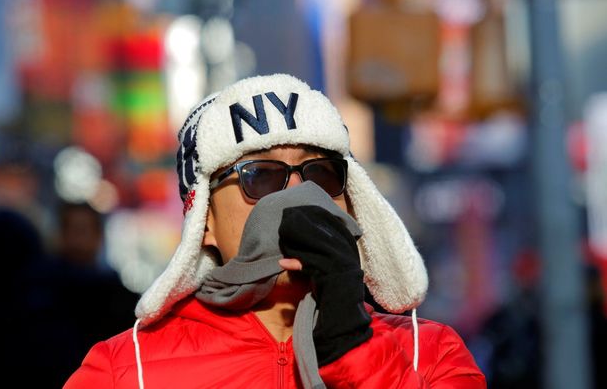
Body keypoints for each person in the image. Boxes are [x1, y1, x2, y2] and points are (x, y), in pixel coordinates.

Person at [65, 74, 485, 388]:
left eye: (321, 173)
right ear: (204, 221)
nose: (300, 196)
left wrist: (351, 343)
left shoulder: (427, 354)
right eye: (261, 177)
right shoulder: (126, 371)